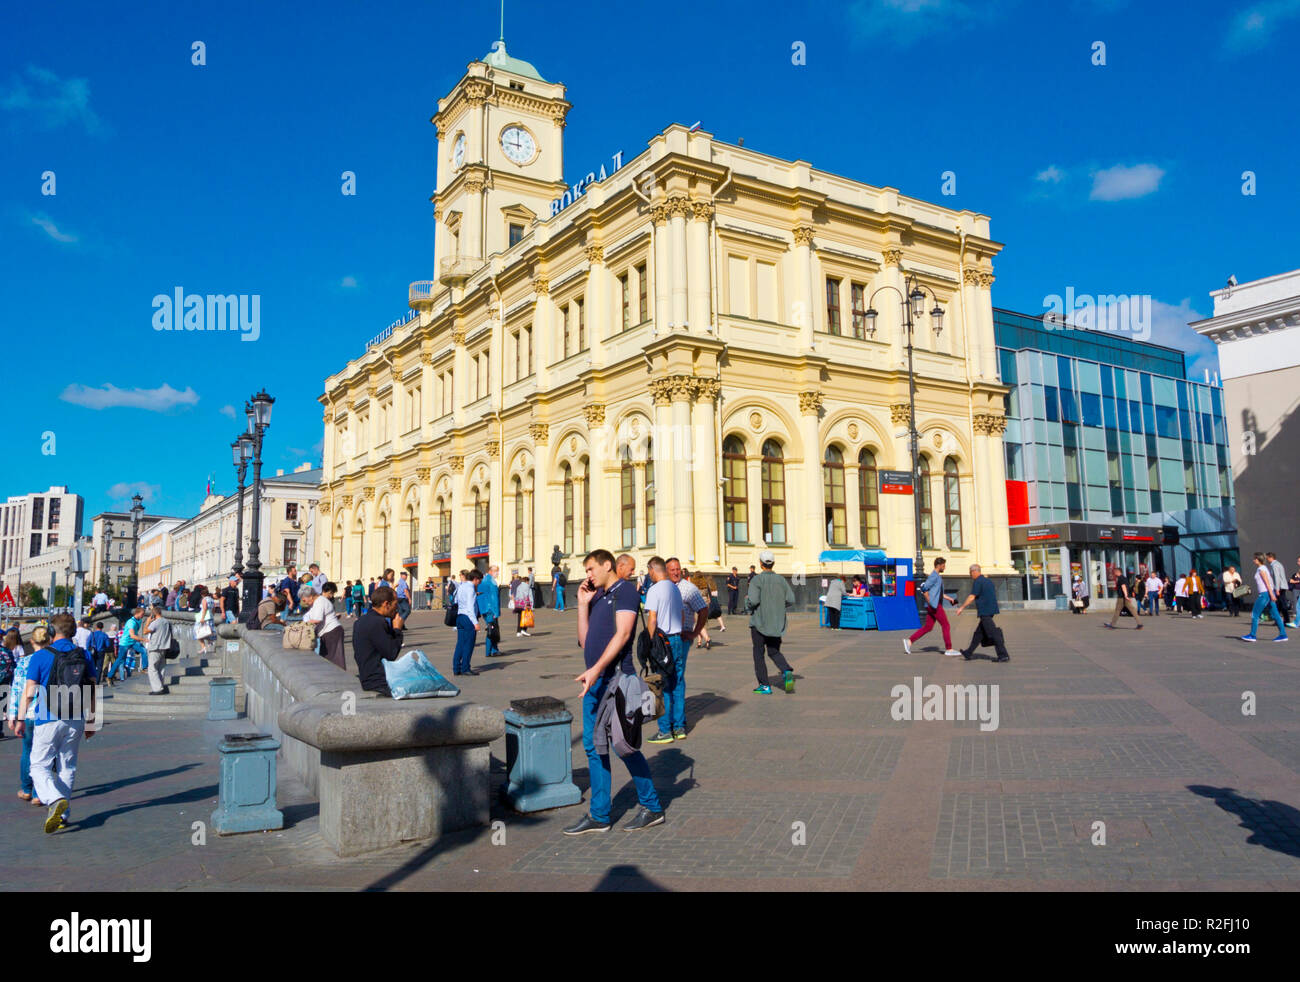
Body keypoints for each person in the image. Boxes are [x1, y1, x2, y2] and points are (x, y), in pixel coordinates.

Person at [563, 549, 666, 835]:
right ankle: (599, 815)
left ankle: (652, 807)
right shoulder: (596, 596)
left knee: (624, 747)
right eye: (586, 571)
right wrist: (583, 604)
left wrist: (596, 669)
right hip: (594, 684)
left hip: (618, 681)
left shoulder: (626, 593)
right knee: (594, 747)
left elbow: (623, 634)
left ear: (607, 565)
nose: (588, 575)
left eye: (591, 569)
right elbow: (585, 641)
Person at [15, 613, 99, 832]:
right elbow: (92, 688)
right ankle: (63, 814)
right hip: (76, 717)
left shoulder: (41, 656)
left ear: (52, 632)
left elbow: (29, 692)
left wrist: (20, 718)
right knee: (67, 766)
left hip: (48, 717)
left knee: (38, 765)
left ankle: (54, 800)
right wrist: (91, 721)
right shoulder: (83, 655)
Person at [644, 557, 686, 744]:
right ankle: (679, 727)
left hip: (662, 642)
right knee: (677, 683)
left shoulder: (654, 590)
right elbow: (682, 615)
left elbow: (652, 619)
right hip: (677, 638)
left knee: (661, 685)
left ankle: (664, 731)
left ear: (654, 569)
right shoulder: (675, 589)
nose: (649, 575)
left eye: (649, 571)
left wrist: (649, 642)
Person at [745, 550, 796, 694]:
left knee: (758, 654)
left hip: (759, 623)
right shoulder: (781, 580)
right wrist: (778, 605)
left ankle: (765, 685)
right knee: (774, 651)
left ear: (760, 564)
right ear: (773, 563)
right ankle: (786, 670)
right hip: (776, 623)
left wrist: (746, 603)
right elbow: (791, 599)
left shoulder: (757, 580)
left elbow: (753, 601)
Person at [352, 584, 406, 696]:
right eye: (395, 605)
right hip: (379, 681)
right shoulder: (378, 622)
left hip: (367, 676)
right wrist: (397, 630)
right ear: (386, 604)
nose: (397, 609)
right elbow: (391, 653)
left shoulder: (361, 621)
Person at [7, 626, 40, 803]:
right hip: (46, 713)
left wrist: (13, 715)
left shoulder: (24, 662)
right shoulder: (51, 659)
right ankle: (38, 793)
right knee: (45, 753)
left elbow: (17, 690)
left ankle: (27, 789)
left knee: (27, 751)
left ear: (31, 642)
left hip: (27, 713)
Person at [954, 564, 1011, 662]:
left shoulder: (978, 581)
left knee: (994, 633)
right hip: (991, 609)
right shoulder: (988, 581)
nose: (970, 575)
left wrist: (962, 607)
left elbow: (972, 596)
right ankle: (969, 652)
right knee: (979, 633)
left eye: (970, 572)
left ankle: (1003, 655)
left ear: (974, 571)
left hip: (985, 611)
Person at [906, 557, 957, 654]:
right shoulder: (934, 576)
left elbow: (937, 592)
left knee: (928, 627)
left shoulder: (937, 576)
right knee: (946, 625)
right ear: (939, 565)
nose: (944, 568)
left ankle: (909, 641)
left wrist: (950, 599)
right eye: (943, 565)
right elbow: (924, 588)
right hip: (935, 606)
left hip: (933, 605)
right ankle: (949, 649)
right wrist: (930, 601)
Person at [1241, 552, 1288, 643]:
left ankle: (1252, 635)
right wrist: (1272, 593)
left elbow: (1267, 582)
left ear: (1258, 560)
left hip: (1264, 594)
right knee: (1276, 614)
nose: (1253, 560)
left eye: (1255, 559)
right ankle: (1283, 635)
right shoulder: (1264, 568)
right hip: (1268, 594)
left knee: (1255, 614)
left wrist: (1271, 594)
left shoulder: (1261, 569)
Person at [667, 558, 709, 654]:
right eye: (672, 570)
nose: (676, 573)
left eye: (678, 569)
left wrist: (695, 633)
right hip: (663, 637)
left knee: (677, 668)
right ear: (666, 571)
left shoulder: (689, 588)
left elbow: (703, 610)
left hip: (682, 637)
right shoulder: (662, 586)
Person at [305, 582, 345, 669]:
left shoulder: (320, 601)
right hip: (330, 631)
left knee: (333, 657)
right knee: (333, 656)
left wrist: (304, 625)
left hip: (331, 631)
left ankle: (337, 676)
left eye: (332, 593)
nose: (331, 596)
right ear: (324, 591)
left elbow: (317, 619)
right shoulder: (320, 601)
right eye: (330, 593)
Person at [453, 569, 484, 676]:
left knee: (460, 643)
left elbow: (456, 600)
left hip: (460, 616)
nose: (479, 583)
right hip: (468, 618)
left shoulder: (461, 586)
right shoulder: (470, 589)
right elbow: (470, 608)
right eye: (479, 581)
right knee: (469, 644)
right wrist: (475, 622)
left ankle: (456, 667)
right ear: (475, 579)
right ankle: (465, 668)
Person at [109, 607, 148, 680]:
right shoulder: (131, 622)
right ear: (137, 613)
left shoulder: (139, 620)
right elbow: (132, 635)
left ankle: (144, 668)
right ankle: (110, 675)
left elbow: (137, 632)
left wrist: (148, 621)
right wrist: (143, 639)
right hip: (125, 643)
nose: (143, 615)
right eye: (142, 614)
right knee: (120, 659)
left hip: (133, 642)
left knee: (144, 651)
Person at [144, 607, 173, 695]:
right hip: (164, 647)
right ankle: (161, 685)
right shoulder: (166, 622)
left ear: (153, 614)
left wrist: (147, 622)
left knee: (152, 668)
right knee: (161, 668)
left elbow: (145, 631)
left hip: (155, 647)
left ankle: (157, 688)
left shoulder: (155, 623)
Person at [479, 565, 501, 657]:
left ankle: (494, 649)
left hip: (484, 608)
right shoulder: (492, 581)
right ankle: (491, 651)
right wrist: (496, 612)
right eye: (496, 571)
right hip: (491, 609)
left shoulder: (483, 580)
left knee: (491, 628)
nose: (497, 573)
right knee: (492, 629)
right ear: (490, 571)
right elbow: (494, 598)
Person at [1267, 552, 1291, 629]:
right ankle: (1281, 620)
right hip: (1281, 586)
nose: (1267, 559)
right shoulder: (1278, 564)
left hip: (1279, 587)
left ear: (1271, 557)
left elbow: (1277, 578)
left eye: (1267, 558)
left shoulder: (1275, 565)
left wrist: (1277, 589)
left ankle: (1285, 620)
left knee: (1281, 604)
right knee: (1279, 604)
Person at [511, 570, 533, 636]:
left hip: (519, 604)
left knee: (520, 617)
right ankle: (523, 630)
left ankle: (518, 632)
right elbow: (528, 596)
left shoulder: (518, 585)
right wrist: (531, 605)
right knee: (526, 617)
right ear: (526, 581)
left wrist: (515, 603)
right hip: (525, 604)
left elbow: (515, 594)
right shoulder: (527, 586)